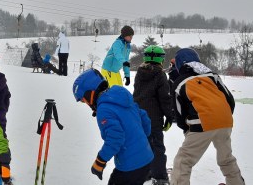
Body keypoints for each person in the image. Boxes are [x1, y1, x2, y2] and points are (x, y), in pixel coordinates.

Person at [170, 48, 245, 185]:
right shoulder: (213, 76)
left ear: (179, 64)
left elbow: (179, 112)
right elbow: (230, 99)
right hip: (225, 121)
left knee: (183, 160)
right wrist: (223, 117)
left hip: (201, 123)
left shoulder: (180, 82)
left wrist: (186, 128)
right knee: (226, 158)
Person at [73, 69, 154, 184]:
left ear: (90, 93)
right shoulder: (120, 96)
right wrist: (141, 141)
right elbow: (144, 117)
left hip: (130, 166)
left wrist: (99, 162)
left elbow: (115, 139)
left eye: (83, 100)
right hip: (146, 159)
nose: (86, 104)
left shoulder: (104, 109)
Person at [133, 45, 175, 184]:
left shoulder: (140, 72)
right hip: (154, 118)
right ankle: (161, 177)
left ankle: (146, 173)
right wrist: (169, 117)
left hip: (139, 116)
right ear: (160, 59)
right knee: (157, 147)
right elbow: (165, 98)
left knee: (144, 145)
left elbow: (137, 94)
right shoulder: (160, 74)